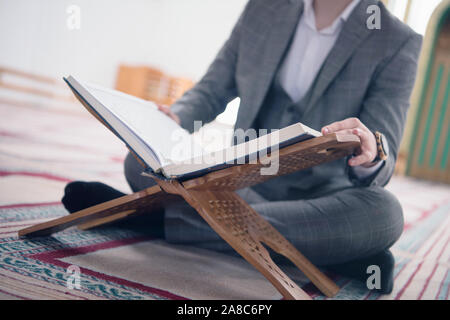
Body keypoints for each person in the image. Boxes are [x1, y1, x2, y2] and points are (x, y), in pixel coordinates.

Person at [62, 0, 422, 294]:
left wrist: (369, 152)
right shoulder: (264, 8)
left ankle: (158, 220)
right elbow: (213, 87)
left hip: (319, 196)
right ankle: (321, 251)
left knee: (383, 215)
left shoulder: (397, 40)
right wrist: (172, 120)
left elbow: (382, 144)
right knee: (140, 162)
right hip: (240, 180)